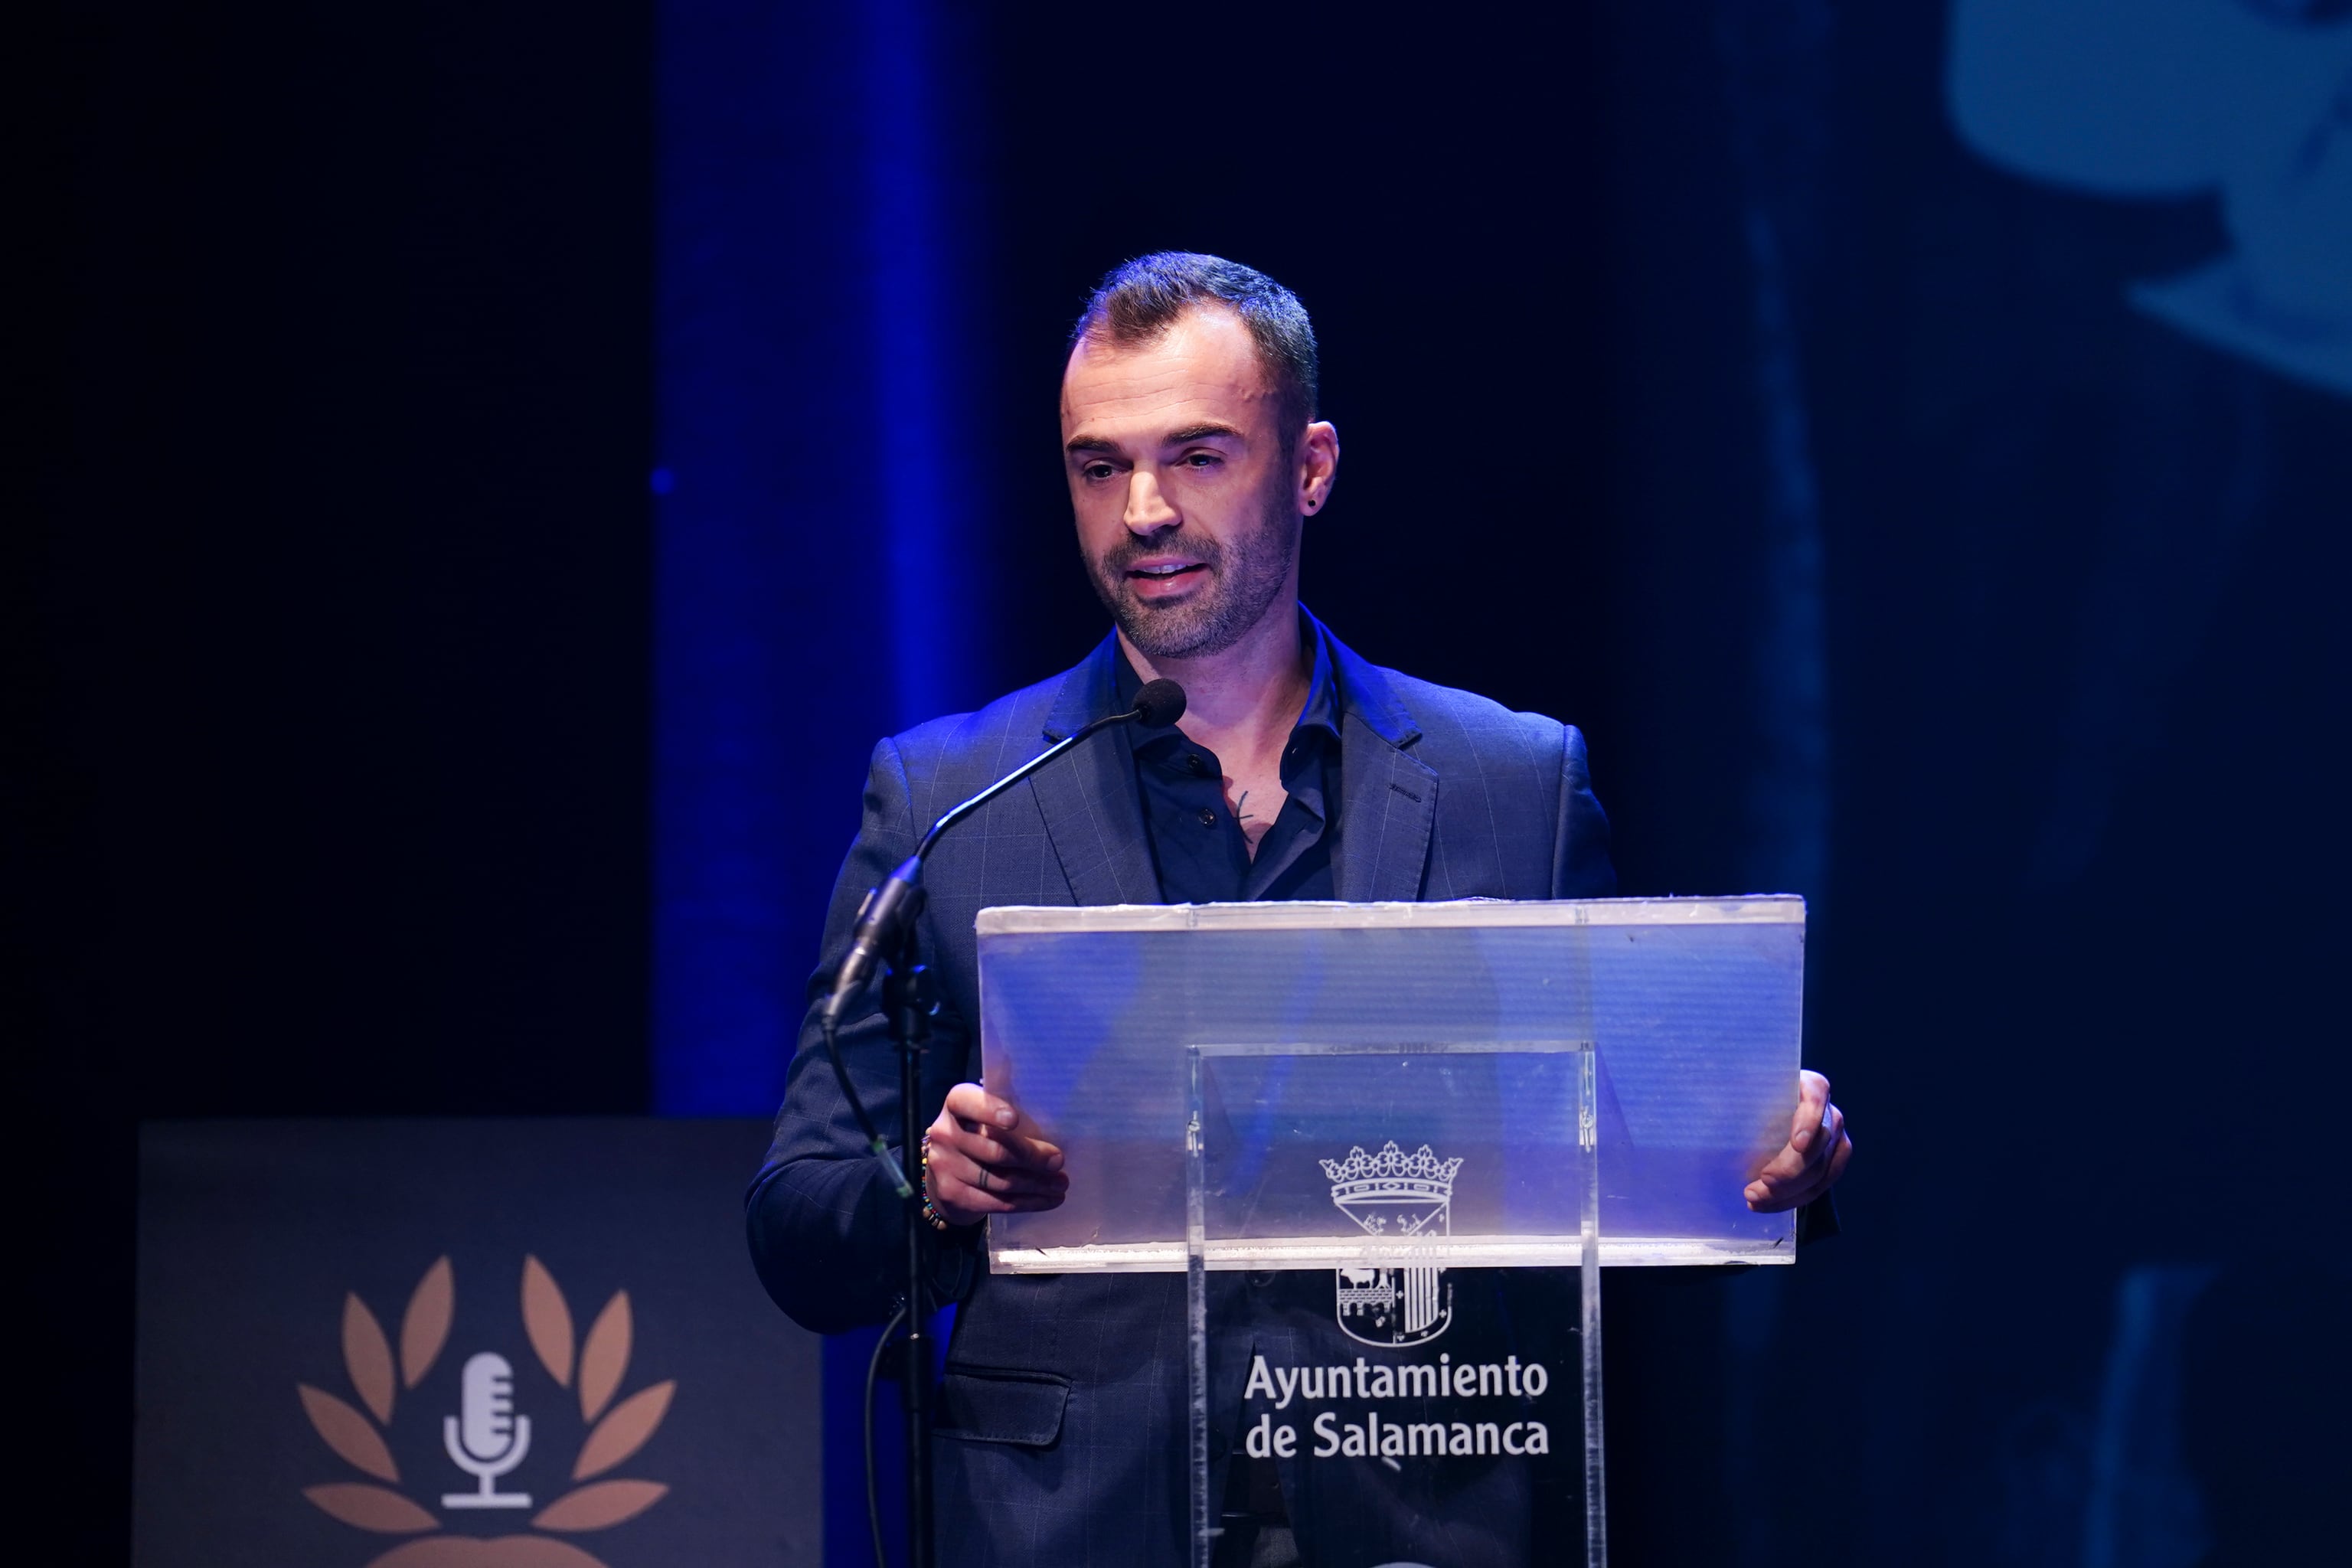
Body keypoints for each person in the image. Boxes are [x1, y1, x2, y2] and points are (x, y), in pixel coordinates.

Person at [746, 252, 1852, 1565]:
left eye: (1199, 456)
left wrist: (1767, 1164)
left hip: (1421, 1512)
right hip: (1076, 1524)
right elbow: (800, 1226)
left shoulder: (1514, 783)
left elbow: (1622, 1163)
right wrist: (932, 1193)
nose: (1143, 510)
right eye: (1100, 468)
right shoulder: (949, 799)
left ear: (1312, 466)